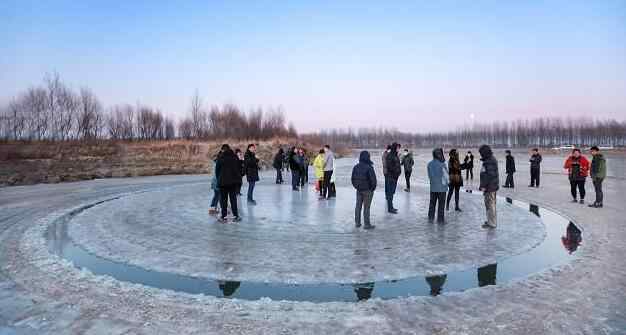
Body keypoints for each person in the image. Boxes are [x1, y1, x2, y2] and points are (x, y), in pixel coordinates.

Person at [215, 144, 242, 222]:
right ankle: (236, 215)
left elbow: (217, 170)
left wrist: (219, 179)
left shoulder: (220, 157)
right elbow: (238, 169)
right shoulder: (234, 157)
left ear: (223, 150)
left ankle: (223, 216)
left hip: (222, 182)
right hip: (232, 182)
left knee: (223, 200)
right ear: (229, 149)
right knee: (233, 199)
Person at [351, 150, 377, 230]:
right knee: (366, 207)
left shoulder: (356, 167)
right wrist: (372, 189)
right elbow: (373, 180)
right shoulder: (369, 167)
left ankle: (357, 223)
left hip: (359, 190)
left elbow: (352, 179)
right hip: (367, 190)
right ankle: (367, 224)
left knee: (358, 206)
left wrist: (357, 186)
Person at [479, 144, 499, 229]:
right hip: (490, 186)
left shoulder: (489, 161)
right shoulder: (489, 160)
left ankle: (492, 223)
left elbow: (488, 175)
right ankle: (490, 221)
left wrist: (483, 186)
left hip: (490, 187)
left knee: (491, 205)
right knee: (488, 204)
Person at [427, 148, 448, 223]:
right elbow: (446, 177)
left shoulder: (429, 164)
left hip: (433, 187)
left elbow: (430, 176)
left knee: (432, 203)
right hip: (442, 189)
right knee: (441, 205)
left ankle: (430, 217)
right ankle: (440, 219)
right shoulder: (442, 164)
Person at [385, 143, 401, 213]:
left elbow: (398, 165)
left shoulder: (395, 155)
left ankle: (391, 207)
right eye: (397, 147)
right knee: (390, 193)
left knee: (392, 192)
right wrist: (395, 172)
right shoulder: (390, 155)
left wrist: (399, 172)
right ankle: (390, 208)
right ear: (394, 147)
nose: (398, 148)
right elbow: (389, 166)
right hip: (390, 177)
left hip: (395, 177)